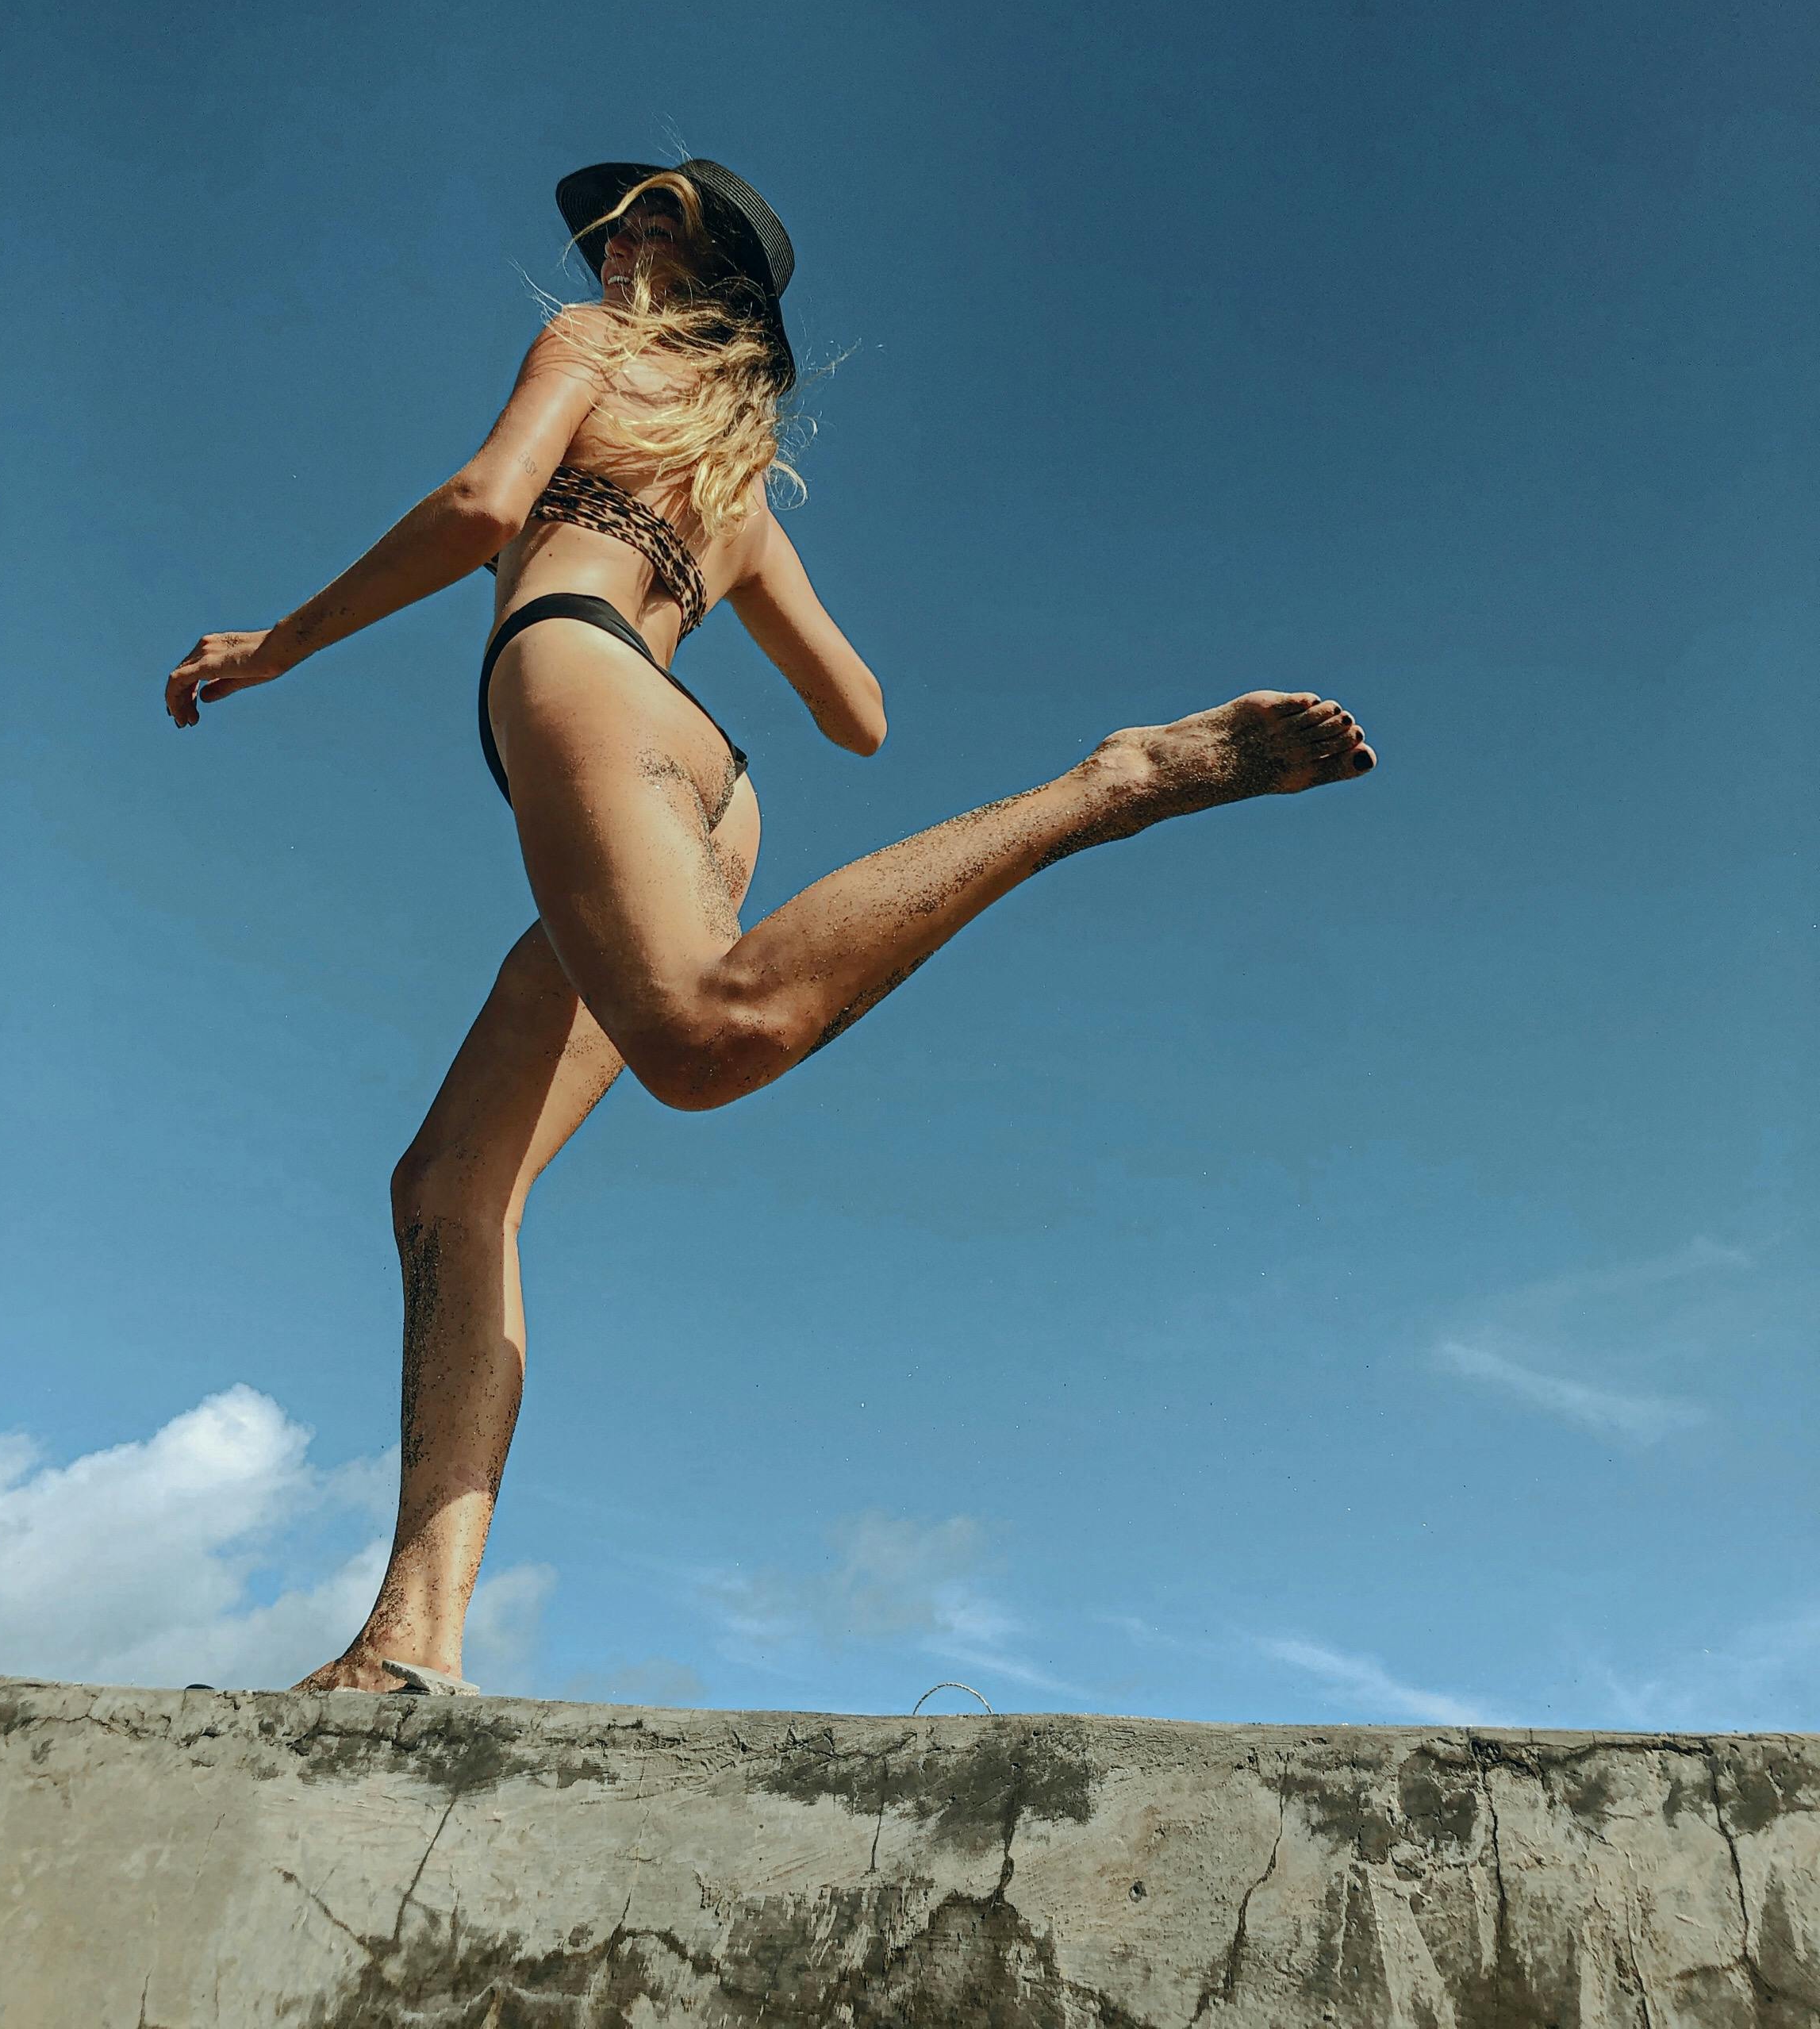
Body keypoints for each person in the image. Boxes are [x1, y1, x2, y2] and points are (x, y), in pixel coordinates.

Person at [165, 158, 1377, 1696]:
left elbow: (483, 505)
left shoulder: (591, 351)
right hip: (695, 772)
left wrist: (282, 645)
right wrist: (696, 565)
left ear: (705, 262)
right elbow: (858, 716)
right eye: (610, 223)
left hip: (573, 681)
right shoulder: (732, 487)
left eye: (648, 215)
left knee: (706, 1035)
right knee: (449, 1187)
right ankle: (410, 1643)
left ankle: (1113, 783)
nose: (611, 240)